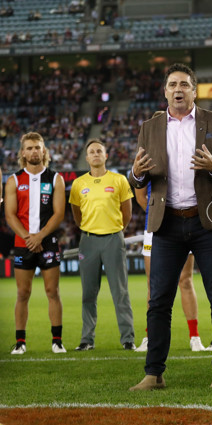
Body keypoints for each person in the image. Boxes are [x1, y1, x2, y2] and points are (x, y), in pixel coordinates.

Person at [128, 63, 212, 391]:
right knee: (159, 301)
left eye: (185, 85)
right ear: (165, 91)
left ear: (195, 90)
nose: (178, 90)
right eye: (173, 85)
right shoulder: (149, 127)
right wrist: (135, 174)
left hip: (207, 222)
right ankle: (154, 373)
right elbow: (138, 175)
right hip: (166, 225)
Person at [69, 139, 136, 351]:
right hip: (88, 241)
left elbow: (127, 212)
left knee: (120, 292)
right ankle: (87, 340)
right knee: (88, 293)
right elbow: (76, 214)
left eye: (99, 151)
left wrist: (115, 229)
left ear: (106, 156)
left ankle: (127, 338)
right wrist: (89, 229)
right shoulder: (79, 184)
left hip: (113, 239)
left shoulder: (119, 180)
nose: (96, 154)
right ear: (87, 158)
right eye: (92, 152)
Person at [4, 132, 66, 354]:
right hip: (23, 243)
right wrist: (30, 238)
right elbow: (10, 215)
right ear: (22, 152)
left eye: (37, 147)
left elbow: (59, 214)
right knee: (22, 293)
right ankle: (20, 343)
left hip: (48, 242)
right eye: (29, 148)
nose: (33, 151)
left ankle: (57, 341)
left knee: (52, 291)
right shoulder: (13, 180)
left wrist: (39, 236)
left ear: (44, 151)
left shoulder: (55, 178)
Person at [134, 181, 206, 353]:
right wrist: (159, 217)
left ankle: (194, 337)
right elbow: (140, 196)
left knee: (185, 280)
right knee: (154, 284)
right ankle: (150, 337)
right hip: (155, 227)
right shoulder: (149, 155)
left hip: (186, 224)